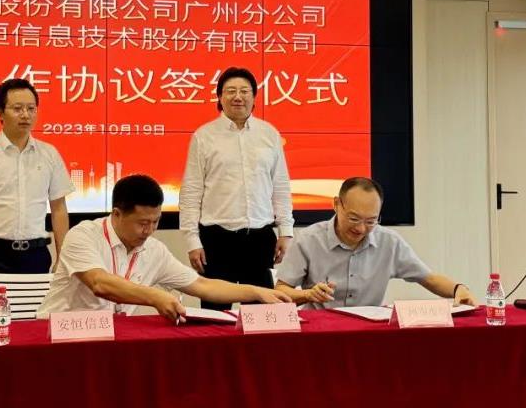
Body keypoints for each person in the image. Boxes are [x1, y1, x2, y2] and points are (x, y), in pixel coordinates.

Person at [38, 174, 290, 322]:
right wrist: (154, 296)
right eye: (142, 223)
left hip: (111, 335)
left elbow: (202, 285)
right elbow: (99, 283)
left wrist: (256, 291)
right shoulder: (83, 235)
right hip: (58, 333)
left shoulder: (154, 250)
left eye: (155, 222)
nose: (149, 231)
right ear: (116, 214)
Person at [0, 78, 73, 322]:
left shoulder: (49, 154)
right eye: (17, 108)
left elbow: (59, 209)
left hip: (36, 256)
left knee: (36, 330)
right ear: (0, 113)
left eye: (31, 108)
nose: (25, 115)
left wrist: (62, 259)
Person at [179, 66, 293, 310]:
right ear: (220, 97)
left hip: (260, 238)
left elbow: (280, 186)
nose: (238, 97)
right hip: (217, 239)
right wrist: (192, 240)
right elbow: (191, 192)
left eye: (244, 91)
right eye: (230, 91)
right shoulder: (204, 136)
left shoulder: (269, 134)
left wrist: (286, 231)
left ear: (254, 96)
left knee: (262, 316)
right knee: (215, 317)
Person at [275, 177, 477, 308]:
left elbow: (428, 278)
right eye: (354, 218)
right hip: (321, 333)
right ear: (336, 204)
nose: (361, 228)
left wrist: (458, 288)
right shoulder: (309, 240)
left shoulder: (389, 242)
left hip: (369, 333)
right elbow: (280, 291)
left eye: (371, 221)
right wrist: (308, 295)